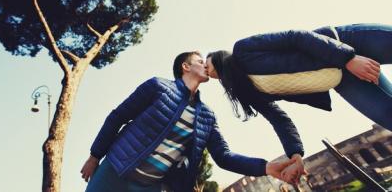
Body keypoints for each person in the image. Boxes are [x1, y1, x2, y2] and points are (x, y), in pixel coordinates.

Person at [81, 51, 297, 192]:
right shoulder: (157, 87)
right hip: (114, 172)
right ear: (186, 66)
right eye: (200, 61)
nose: (206, 65)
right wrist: (94, 156)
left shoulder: (206, 116)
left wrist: (266, 167)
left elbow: (223, 157)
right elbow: (117, 116)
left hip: (150, 187)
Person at [206, 23, 392, 183]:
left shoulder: (243, 50)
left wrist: (349, 58)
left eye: (205, 61)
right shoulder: (249, 91)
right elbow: (278, 118)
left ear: (218, 57)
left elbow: (295, 37)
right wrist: (295, 154)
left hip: (343, 44)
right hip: (342, 78)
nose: (205, 68)